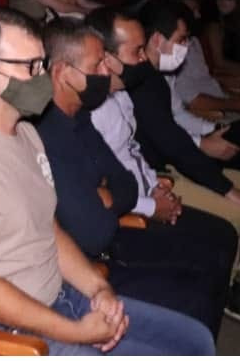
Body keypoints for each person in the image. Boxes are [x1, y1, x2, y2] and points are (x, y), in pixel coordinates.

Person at [0, 5, 215, 354]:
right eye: (30, 67)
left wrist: (98, 290)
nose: (44, 77)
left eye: (42, 63)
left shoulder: (25, 135)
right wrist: (75, 331)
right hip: (2, 335)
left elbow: (50, 231)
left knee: (194, 342)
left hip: (59, 300)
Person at [37, 19, 229, 341]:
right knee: (193, 293)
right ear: (62, 73)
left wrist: (107, 196)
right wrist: (107, 195)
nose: (107, 70)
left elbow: (124, 183)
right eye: (96, 63)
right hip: (90, 262)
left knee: (210, 258)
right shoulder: (46, 131)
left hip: (114, 237)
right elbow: (92, 232)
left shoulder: (81, 114)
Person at [126, 0, 240, 280]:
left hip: (177, 147)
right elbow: (169, 140)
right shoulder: (144, 80)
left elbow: (173, 123)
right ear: (157, 39)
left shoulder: (155, 76)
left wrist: (208, 132)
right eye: (181, 40)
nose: (185, 47)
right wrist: (224, 186)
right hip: (161, 165)